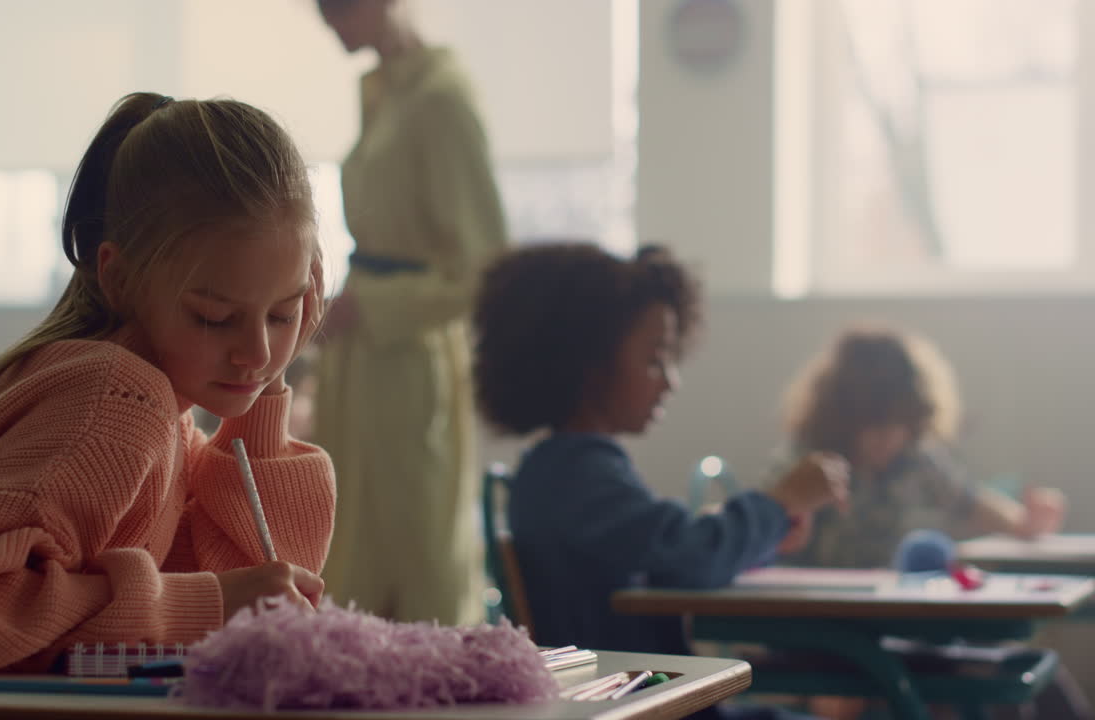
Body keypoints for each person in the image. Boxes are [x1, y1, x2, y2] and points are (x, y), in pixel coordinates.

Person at [0, 92, 334, 678]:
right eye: (214, 318)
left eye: (283, 314)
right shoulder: (112, 398)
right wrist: (204, 604)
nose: (257, 353)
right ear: (118, 277)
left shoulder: (162, 414)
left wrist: (264, 401)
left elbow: (260, 603)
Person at [473, 243, 848, 720]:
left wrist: (769, 528)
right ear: (587, 367)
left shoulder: (562, 469)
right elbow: (688, 557)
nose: (670, 381)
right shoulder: (577, 474)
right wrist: (779, 503)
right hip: (647, 708)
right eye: (654, 360)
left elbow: (663, 551)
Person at [314, 0, 508, 624]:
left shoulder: (442, 100)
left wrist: (372, 305)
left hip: (410, 363)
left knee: (417, 547)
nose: (328, 21)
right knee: (349, 540)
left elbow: (487, 269)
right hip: (360, 359)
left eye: (338, 7)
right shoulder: (381, 93)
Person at [780, 327, 1066, 570]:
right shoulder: (811, 460)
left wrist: (1024, 522)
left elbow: (968, 503)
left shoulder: (916, 458)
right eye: (873, 426)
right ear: (843, 417)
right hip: (813, 608)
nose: (886, 438)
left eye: (897, 425)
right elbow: (773, 515)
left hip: (887, 603)